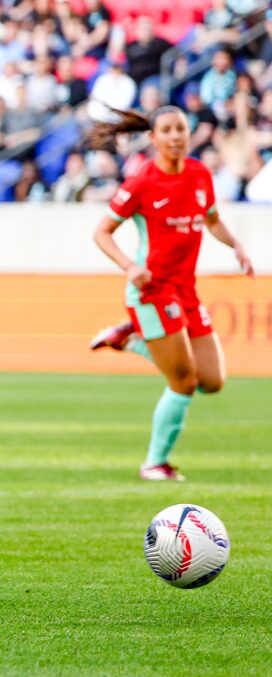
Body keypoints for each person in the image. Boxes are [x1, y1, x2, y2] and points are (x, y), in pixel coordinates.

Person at [88, 105, 254, 481]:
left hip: (186, 291)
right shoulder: (142, 182)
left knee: (212, 381)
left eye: (181, 128)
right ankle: (154, 463)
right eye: (167, 130)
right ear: (153, 138)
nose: (176, 136)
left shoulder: (198, 174)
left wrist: (236, 246)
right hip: (152, 291)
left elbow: (211, 219)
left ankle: (131, 338)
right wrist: (130, 267)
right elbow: (101, 232)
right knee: (184, 382)